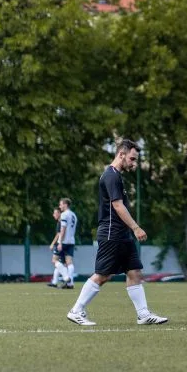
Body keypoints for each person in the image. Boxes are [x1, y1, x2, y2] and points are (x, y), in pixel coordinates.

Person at [67, 139, 168, 326]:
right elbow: (118, 206)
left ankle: (143, 314)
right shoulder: (111, 176)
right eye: (132, 159)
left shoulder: (117, 176)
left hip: (122, 235)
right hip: (111, 233)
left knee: (135, 272)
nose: (134, 163)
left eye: (136, 159)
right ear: (121, 154)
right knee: (103, 274)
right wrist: (136, 227)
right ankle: (76, 310)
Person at [57, 198, 78, 289]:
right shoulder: (74, 215)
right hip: (71, 240)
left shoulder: (64, 214)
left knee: (54, 260)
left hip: (64, 241)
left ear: (65, 204)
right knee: (69, 262)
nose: (59, 206)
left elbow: (63, 229)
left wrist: (60, 242)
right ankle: (70, 283)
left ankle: (66, 278)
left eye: (60, 204)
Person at [48, 208, 66, 288]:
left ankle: (66, 277)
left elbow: (58, 234)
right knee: (60, 263)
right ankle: (55, 282)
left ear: (59, 213)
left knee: (54, 260)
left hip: (60, 244)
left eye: (55, 213)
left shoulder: (60, 222)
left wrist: (52, 244)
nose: (53, 215)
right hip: (63, 244)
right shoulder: (61, 221)